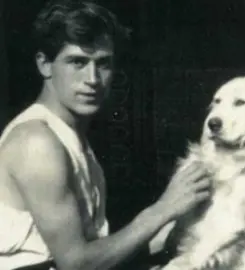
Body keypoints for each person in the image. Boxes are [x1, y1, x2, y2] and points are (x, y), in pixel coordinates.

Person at [0, 1, 211, 269]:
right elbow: (76, 264)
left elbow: (103, 254)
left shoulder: (70, 138)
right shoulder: (37, 142)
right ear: (45, 65)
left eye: (103, 64)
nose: (92, 78)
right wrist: (162, 210)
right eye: (77, 62)